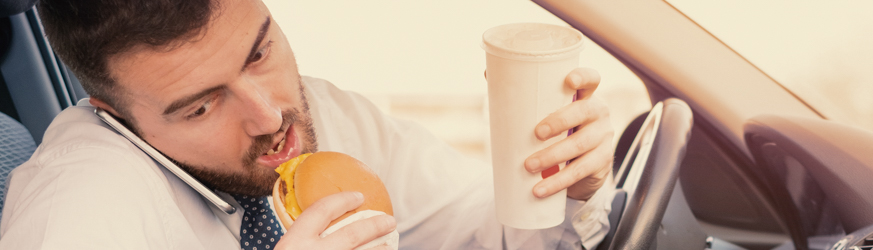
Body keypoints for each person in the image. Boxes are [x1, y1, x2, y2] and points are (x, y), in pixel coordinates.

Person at [0, 0, 617, 249]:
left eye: (260, 53)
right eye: (201, 106)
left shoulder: (328, 117)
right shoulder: (74, 215)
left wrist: (568, 189)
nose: (271, 118)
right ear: (116, 116)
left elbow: (485, 228)